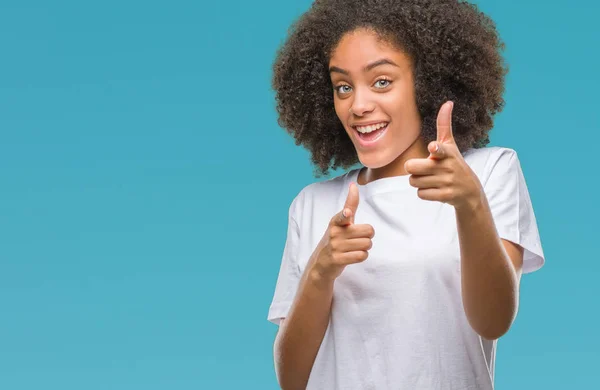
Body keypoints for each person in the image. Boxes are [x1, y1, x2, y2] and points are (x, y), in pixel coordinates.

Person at [266, 0, 545, 389]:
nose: (358, 105)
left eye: (381, 81)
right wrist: (320, 271)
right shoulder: (313, 206)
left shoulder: (488, 171)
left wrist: (470, 205)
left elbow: (494, 320)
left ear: (429, 82)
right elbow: (292, 380)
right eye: (343, 87)